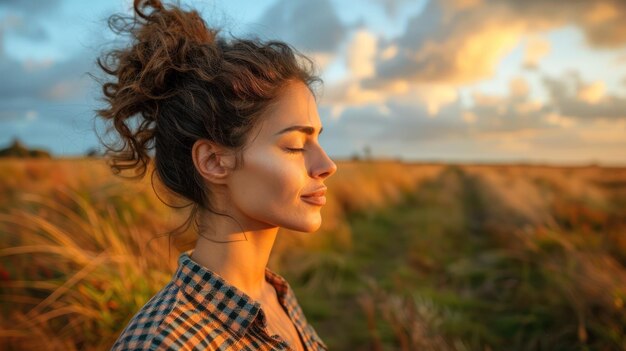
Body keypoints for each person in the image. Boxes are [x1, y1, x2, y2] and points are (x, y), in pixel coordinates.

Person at [98, 0, 337, 350]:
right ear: (213, 161)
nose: (327, 164)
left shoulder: (274, 294)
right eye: (295, 145)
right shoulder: (161, 343)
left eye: (317, 138)